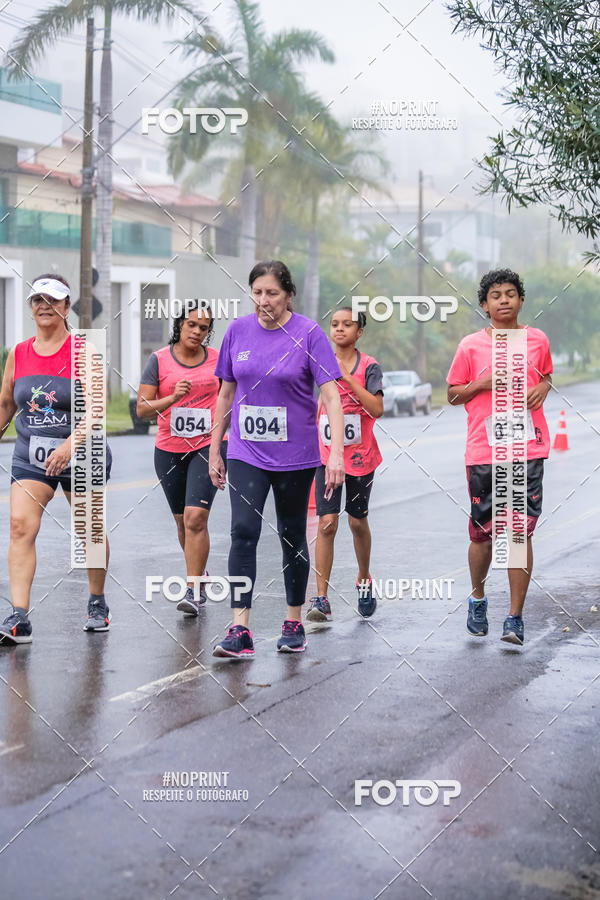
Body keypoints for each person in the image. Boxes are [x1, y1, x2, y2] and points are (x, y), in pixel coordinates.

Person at [209, 260, 345, 658]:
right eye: (257, 292)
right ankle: (239, 628)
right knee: (243, 532)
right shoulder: (237, 331)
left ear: (288, 295)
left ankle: (293, 620)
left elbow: (332, 396)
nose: (263, 301)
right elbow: (225, 395)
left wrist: (334, 453)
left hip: (296, 455)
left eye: (272, 293)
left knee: (290, 535)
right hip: (246, 450)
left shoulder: (308, 333)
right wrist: (215, 448)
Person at [0, 274, 112, 645]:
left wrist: (70, 446)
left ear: (66, 307)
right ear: (30, 307)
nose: (44, 305)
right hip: (31, 454)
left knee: (88, 532)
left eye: (53, 299)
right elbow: (5, 405)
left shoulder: (84, 351)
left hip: (82, 452)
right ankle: (19, 617)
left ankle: (97, 602)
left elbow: (96, 409)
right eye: (37, 300)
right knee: (20, 525)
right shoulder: (19, 353)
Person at [447, 268, 553, 646]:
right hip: (484, 451)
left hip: (528, 448)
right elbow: (453, 394)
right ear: (484, 305)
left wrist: (542, 385)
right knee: (485, 535)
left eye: (511, 293)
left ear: (521, 300)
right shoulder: (470, 346)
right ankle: (478, 598)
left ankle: (514, 618)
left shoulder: (537, 339)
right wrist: (481, 384)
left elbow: (547, 375)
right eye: (496, 295)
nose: (504, 300)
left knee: (518, 532)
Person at [137, 300, 227, 616]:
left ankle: (193, 591)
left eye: (204, 328)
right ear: (180, 325)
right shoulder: (159, 360)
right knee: (181, 522)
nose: (197, 332)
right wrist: (173, 398)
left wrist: (222, 447)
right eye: (192, 325)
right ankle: (199, 574)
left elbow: (229, 401)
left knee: (195, 517)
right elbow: (142, 409)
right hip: (169, 448)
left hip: (207, 445)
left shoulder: (217, 360)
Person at [308, 307, 383, 622]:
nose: (339, 329)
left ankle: (364, 578)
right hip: (326, 455)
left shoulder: (369, 366)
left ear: (359, 332)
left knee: (356, 522)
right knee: (327, 523)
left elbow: (377, 408)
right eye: (334, 324)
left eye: (347, 324)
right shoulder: (318, 359)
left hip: (360, 457)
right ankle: (321, 598)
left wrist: (348, 378)